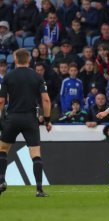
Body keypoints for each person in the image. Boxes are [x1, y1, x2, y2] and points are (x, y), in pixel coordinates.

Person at [0, 48, 52, 197]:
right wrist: (47, 120)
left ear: (15, 60)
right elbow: (46, 100)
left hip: (12, 118)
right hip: (30, 119)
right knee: (35, 154)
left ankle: (2, 180)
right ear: (28, 60)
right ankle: (39, 189)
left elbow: (1, 101)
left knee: (3, 149)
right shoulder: (37, 76)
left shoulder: (8, 77)